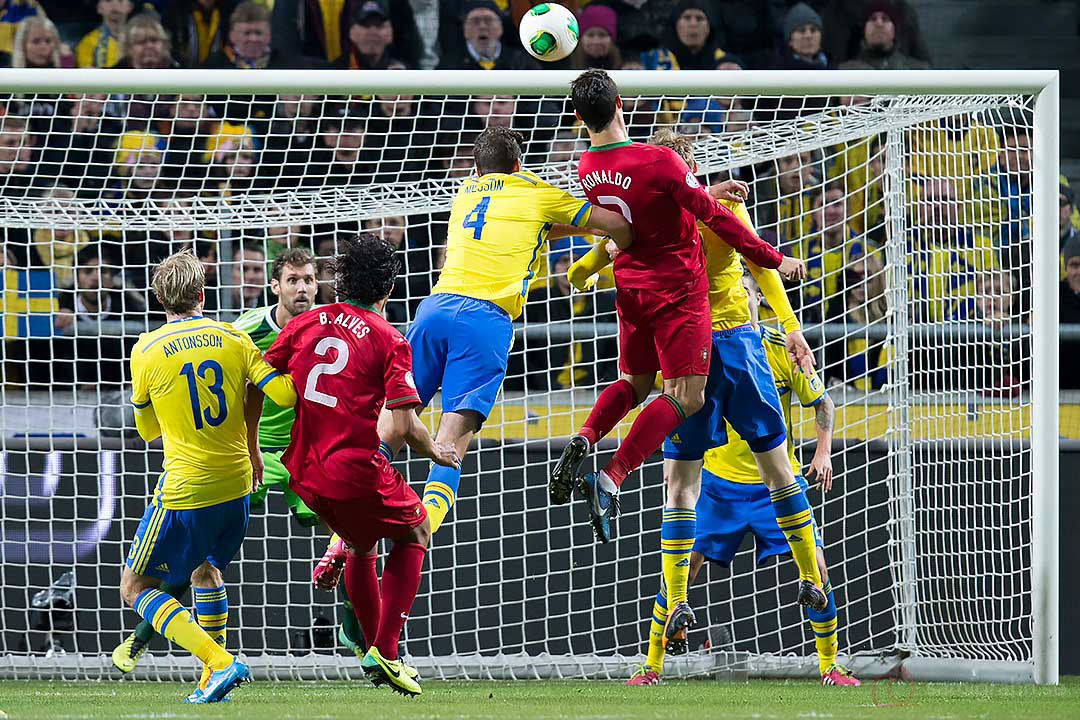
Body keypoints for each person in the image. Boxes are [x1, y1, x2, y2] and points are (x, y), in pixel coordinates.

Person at [565, 126, 821, 659]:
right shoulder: (709, 209)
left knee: (678, 483)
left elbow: (607, 249)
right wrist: (790, 322)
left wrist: (585, 274)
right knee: (781, 471)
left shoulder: (643, 212)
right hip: (738, 344)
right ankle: (817, 610)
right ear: (692, 169)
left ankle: (658, 646)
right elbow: (756, 261)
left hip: (683, 348)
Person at [552, 71, 806, 563]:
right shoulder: (658, 160)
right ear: (622, 103)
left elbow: (635, 218)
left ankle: (584, 437)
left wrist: (582, 269)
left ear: (579, 117)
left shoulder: (587, 167)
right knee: (685, 398)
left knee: (634, 383)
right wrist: (776, 258)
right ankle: (612, 474)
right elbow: (709, 214)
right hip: (682, 299)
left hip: (631, 291)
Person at [628, 272, 859, 688]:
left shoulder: (781, 351)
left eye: (749, 292)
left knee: (818, 570)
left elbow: (822, 402)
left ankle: (830, 665)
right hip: (718, 485)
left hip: (774, 487)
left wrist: (822, 452)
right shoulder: (700, 351)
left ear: (758, 300)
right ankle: (652, 666)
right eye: (737, 291)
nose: (743, 298)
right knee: (682, 570)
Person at [263, 233, 460, 696]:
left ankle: (374, 652)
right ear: (387, 289)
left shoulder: (305, 323)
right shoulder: (391, 340)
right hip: (355, 469)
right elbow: (407, 423)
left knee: (360, 543)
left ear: (339, 280)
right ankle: (388, 652)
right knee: (416, 531)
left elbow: (263, 372)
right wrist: (435, 451)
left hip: (305, 473)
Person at [117, 249, 297, 703]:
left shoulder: (146, 350)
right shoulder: (234, 338)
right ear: (202, 293)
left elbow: (146, 431)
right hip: (239, 485)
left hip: (185, 490)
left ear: (161, 298)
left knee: (135, 587)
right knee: (206, 572)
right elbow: (281, 393)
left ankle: (219, 661)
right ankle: (209, 678)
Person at [437, 0, 535, 70]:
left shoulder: (520, 62)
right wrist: (475, 99)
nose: (482, 26)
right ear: (465, 30)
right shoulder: (449, 65)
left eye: (488, 20)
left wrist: (512, 98)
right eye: (475, 21)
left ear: (500, 28)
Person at [838, 1, 929, 71]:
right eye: (872, 19)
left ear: (894, 30)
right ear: (864, 30)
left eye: (885, 19)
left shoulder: (917, 72)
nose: (879, 24)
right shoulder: (845, 73)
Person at [75, 0, 130, 68]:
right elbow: (86, 74)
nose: (114, 4)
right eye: (108, 0)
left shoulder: (140, 41)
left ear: (129, 6)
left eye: (120, 0)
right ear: (99, 8)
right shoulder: (88, 42)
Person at [571, 4, 620, 70]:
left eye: (602, 35)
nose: (596, 42)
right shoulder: (564, 68)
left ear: (612, 39)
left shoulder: (626, 67)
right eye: (590, 35)